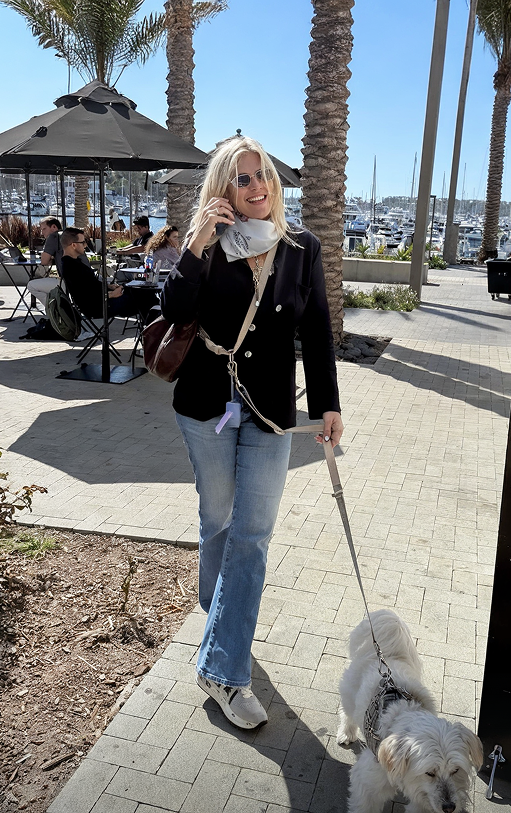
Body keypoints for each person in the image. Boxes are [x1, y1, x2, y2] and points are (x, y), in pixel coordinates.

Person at [161, 136, 343, 729]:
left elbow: (317, 329)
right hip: (207, 404)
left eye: (262, 174)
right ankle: (221, 616)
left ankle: (223, 668)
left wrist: (327, 404)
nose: (257, 186)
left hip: (268, 410)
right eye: (242, 179)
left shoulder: (301, 247)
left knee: (253, 533)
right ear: (224, 189)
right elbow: (174, 306)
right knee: (217, 518)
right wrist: (196, 242)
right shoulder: (209, 245)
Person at [60, 227, 135, 318]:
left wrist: (109, 286)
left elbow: (91, 285)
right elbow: (86, 295)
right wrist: (111, 295)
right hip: (98, 307)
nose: (85, 245)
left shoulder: (74, 262)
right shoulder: (71, 267)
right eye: (83, 242)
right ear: (74, 245)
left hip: (101, 302)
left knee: (136, 292)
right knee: (141, 297)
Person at [26, 217, 63, 308]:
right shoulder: (68, 236)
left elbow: (44, 261)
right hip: (80, 281)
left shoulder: (53, 237)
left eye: (44, 229)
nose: (42, 233)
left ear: (54, 227)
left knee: (31, 285)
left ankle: (55, 310)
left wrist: (48, 255)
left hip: (66, 283)